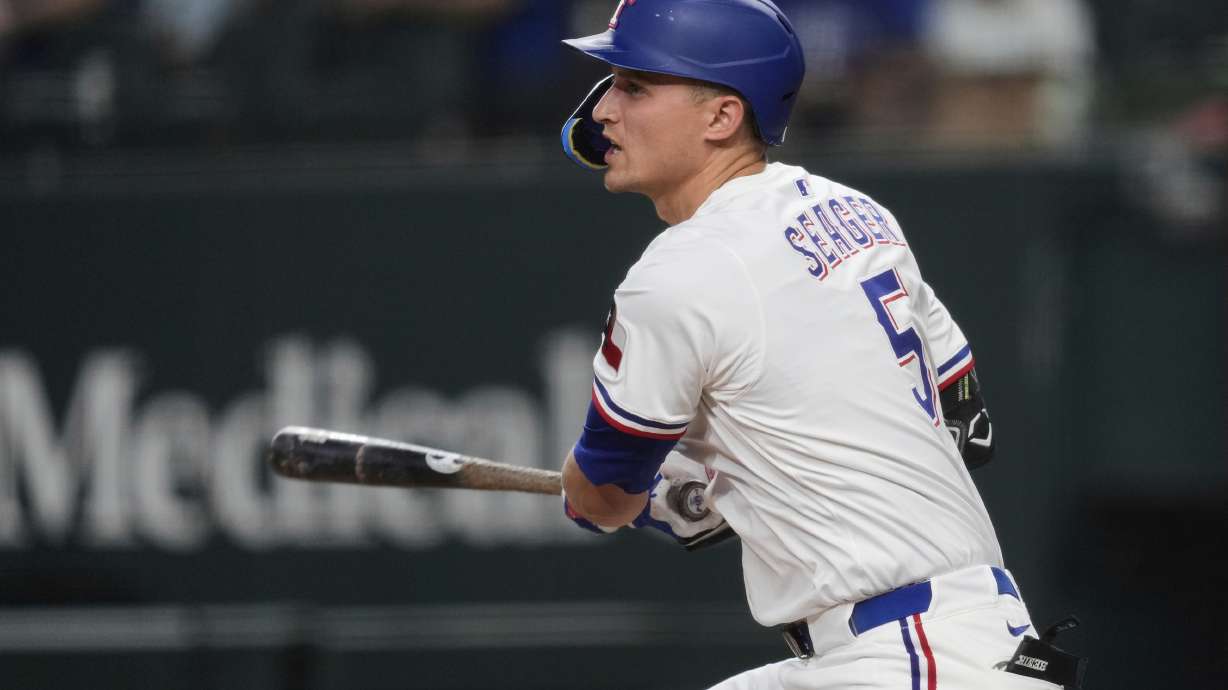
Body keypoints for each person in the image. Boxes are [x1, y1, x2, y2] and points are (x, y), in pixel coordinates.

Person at [555, 1, 1083, 689]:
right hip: (959, 635)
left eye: (635, 86)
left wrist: (663, 496)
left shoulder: (678, 271)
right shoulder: (854, 210)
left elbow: (598, 499)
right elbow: (964, 419)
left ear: (722, 117)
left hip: (907, 657)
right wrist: (744, 479)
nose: (602, 111)